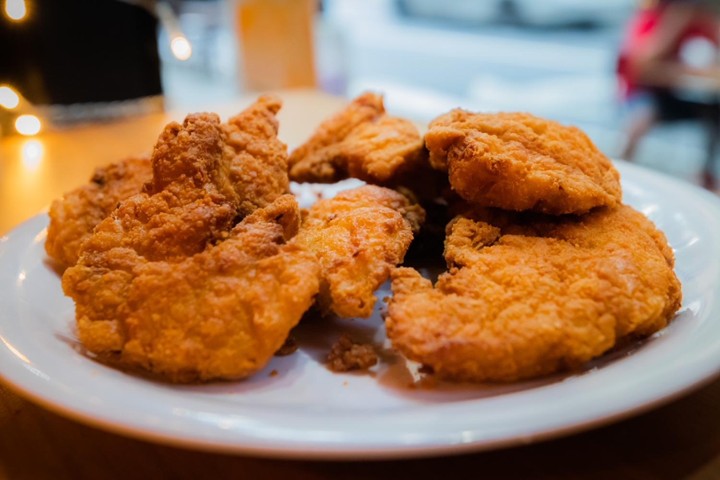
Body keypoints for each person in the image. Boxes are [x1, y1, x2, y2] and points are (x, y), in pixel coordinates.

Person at [617, 0, 720, 190]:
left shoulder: (700, 23)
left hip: (677, 94)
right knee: (643, 115)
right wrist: (675, 23)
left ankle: (707, 177)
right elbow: (642, 69)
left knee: (714, 113)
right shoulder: (653, 19)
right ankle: (623, 166)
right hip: (643, 94)